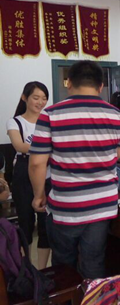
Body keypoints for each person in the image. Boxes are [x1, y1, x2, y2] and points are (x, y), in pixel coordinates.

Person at [29, 60, 120, 279]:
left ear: (69, 83)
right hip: (102, 206)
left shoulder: (50, 114)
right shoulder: (117, 116)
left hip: (66, 206)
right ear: (100, 86)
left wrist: (38, 195)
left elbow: (37, 163)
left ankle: (68, 295)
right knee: (94, 262)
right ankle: (94, 295)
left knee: (64, 266)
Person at [6, 81, 50, 269]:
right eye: (36, 97)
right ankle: (27, 269)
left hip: (47, 172)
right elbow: (19, 146)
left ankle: (43, 270)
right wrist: (48, 148)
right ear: (25, 98)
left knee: (46, 225)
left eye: (44, 98)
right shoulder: (15, 122)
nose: (40, 102)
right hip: (23, 173)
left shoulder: (48, 120)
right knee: (25, 223)